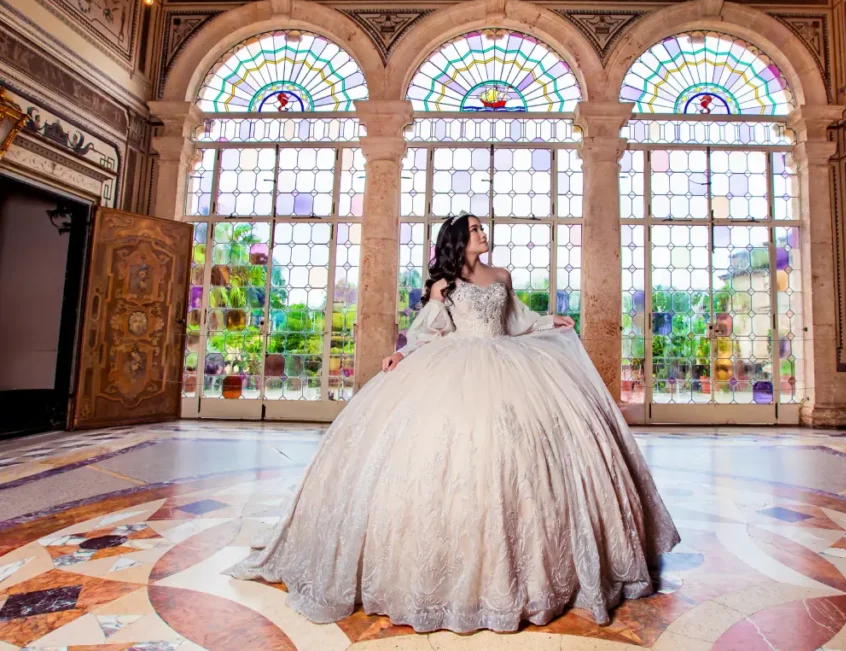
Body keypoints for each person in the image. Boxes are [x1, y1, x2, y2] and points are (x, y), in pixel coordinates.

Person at [228, 214, 681, 633]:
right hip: (456, 366)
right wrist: (401, 354)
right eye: (474, 229)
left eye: (482, 228)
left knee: (521, 449)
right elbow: (426, 331)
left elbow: (517, 321)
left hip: (511, 365)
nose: (482, 233)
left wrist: (549, 321)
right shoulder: (444, 285)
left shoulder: (501, 277)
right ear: (460, 242)